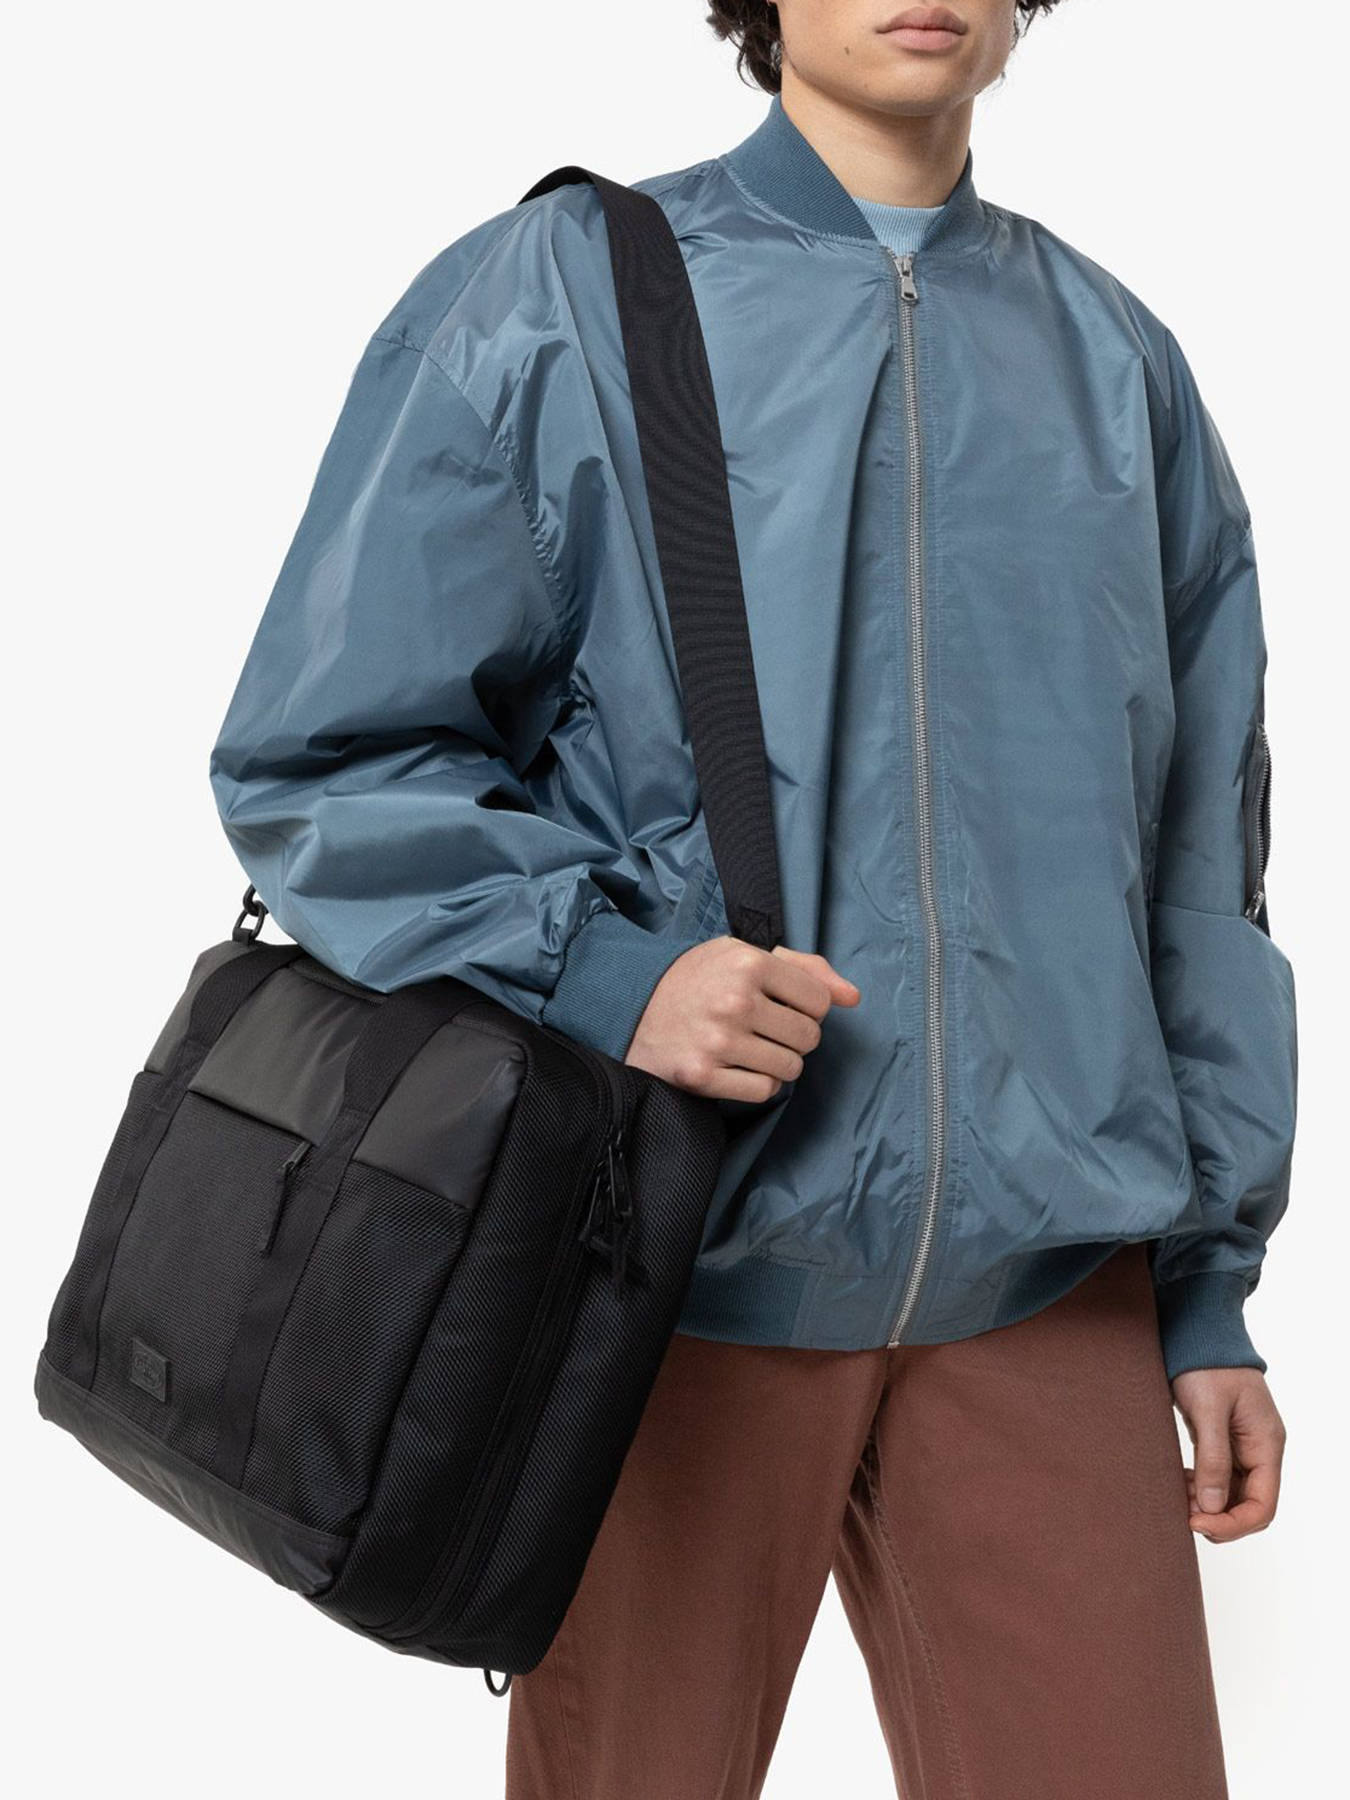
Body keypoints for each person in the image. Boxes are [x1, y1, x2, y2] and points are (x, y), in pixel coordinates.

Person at [210, 2, 1298, 1793]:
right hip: (659, 1265)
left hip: (1053, 1286)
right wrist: (609, 973)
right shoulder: (556, 297)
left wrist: (1202, 1288)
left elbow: (1196, 861)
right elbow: (323, 762)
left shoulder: (1115, 359)